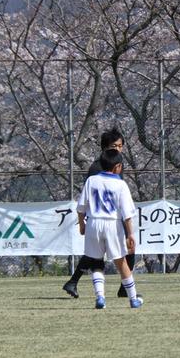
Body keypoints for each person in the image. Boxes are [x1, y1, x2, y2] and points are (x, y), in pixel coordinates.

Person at [63, 128, 140, 299]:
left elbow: (81, 206)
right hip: (108, 218)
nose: (118, 149)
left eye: (120, 146)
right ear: (104, 148)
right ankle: (128, 292)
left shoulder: (117, 164)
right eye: (114, 145)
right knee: (114, 255)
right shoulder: (98, 168)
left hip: (101, 220)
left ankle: (77, 283)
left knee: (97, 254)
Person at [76, 149, 142, 309]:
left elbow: (81, 207)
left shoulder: (91, 180)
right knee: (121, 262)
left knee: (96, 262)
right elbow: (127, 213)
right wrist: (130, 234)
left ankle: (100, 297)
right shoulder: (120, 184)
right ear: (118, 166)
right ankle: (133, 299)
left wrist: (82, 224)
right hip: (112, 224)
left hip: (93, 223)